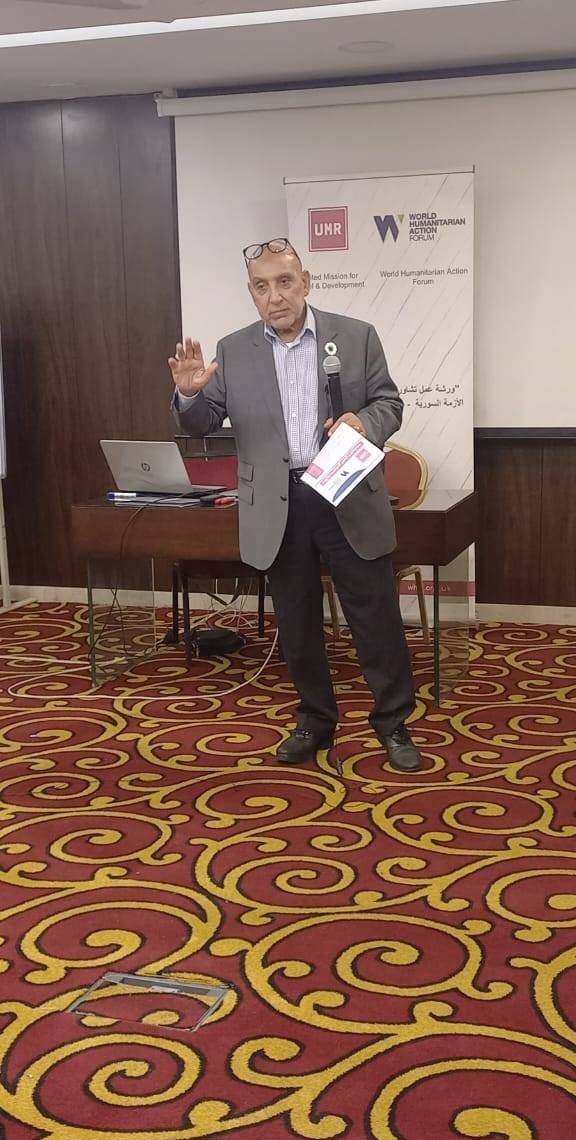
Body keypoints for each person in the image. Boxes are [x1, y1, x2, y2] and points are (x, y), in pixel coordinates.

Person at [169, 238, 422, 771]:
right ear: (252, 294)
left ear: (305, 283)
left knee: (374, 617)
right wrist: (190, 394)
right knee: (297, 620)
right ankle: (314, 721)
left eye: (285, 282)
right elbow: (202, 422)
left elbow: (389, 403)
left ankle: (393, 723)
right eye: (262, 287)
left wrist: (364, 422)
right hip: (279, 502)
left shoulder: (355, 336)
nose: (275, 296)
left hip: (345, 490)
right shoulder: (234, 350)